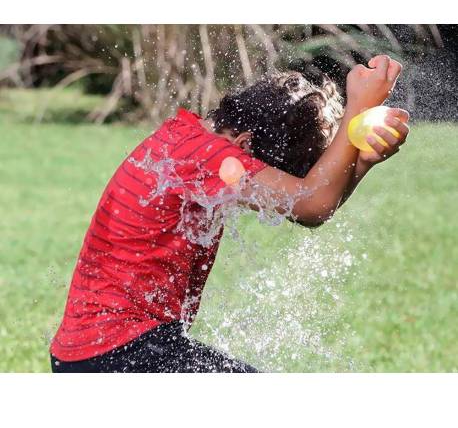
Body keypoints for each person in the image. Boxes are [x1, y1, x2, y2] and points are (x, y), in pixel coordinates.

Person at [50, 54, 410, 372]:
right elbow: (309, 204)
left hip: (103, 353)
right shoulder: (208, 157)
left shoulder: (188, 142)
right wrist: (357, 109)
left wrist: (359, 162)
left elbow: (315, 202)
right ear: (245, 147)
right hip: (117, 353)